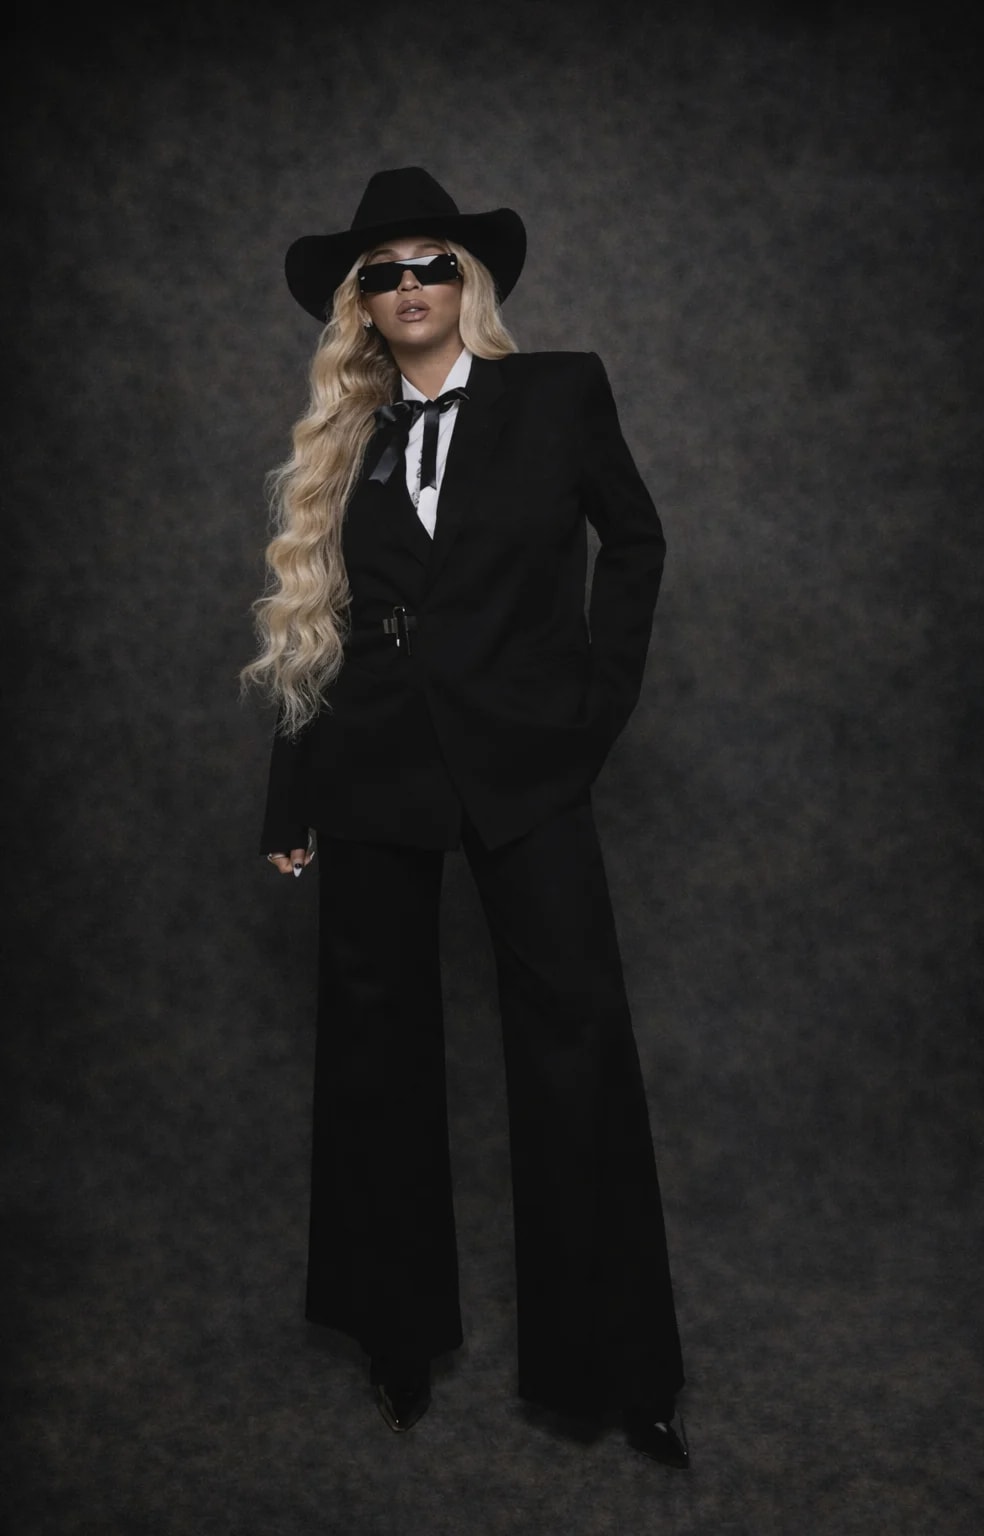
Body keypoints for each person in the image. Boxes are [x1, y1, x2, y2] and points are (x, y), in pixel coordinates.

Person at [243, 167, 688, 1468]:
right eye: (382, 273)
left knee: (575, 1039)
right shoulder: (348, 436)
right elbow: (312, 620)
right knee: (373, 1047)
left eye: (430, 263)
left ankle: (621, 1366)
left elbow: (637, 543)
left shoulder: (559, 393)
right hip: (372, 761)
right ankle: (394, 1332)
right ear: (362, 303)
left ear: (468, 280)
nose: (409, 287)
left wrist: (591, 708)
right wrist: (293, 788)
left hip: (524, 761)